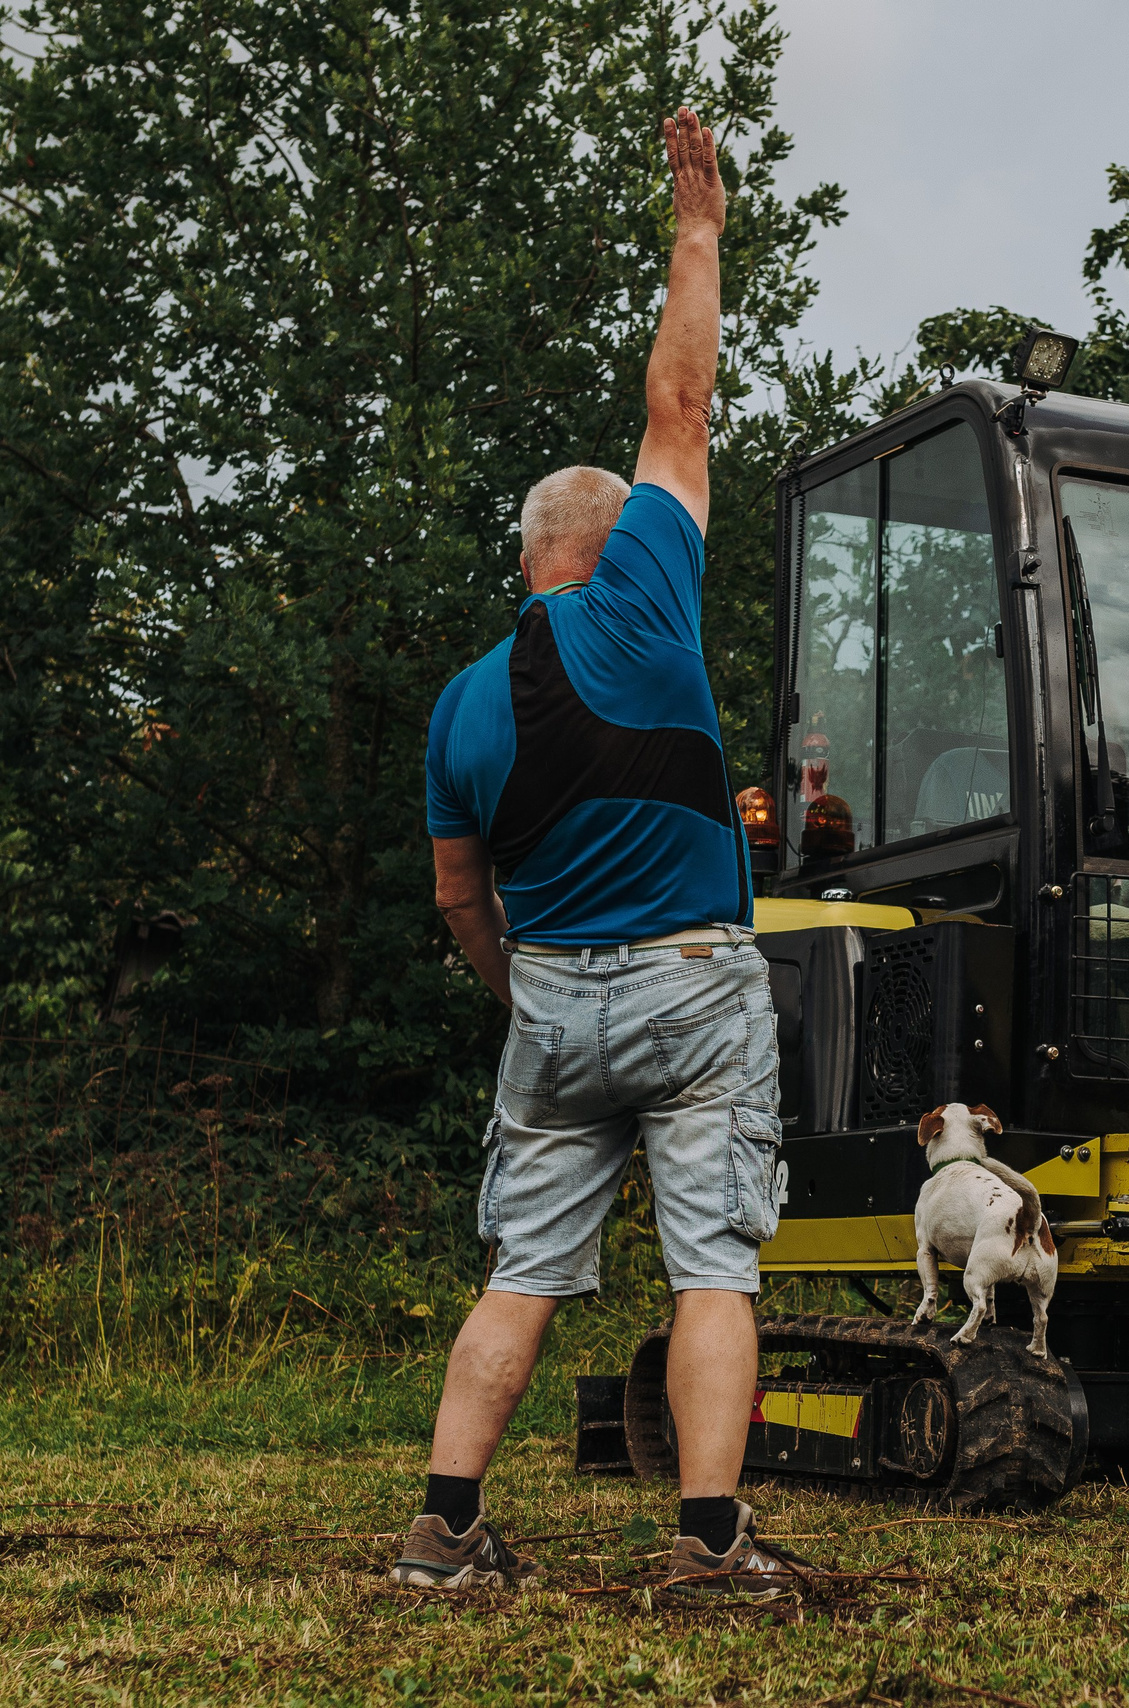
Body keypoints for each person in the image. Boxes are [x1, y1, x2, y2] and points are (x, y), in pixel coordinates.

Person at [391, 108, 804, 1596]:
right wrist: (696, 232)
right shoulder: (645, 592)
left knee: (523, 1273)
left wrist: (522, 996)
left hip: (554, 1004)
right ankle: (704, 1544)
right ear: (615, 537)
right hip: (695, 995)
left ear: (522, 560)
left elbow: (456, 894)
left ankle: (443, 1529)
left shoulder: (454, 707)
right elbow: (680, 404)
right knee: (713, 1269)